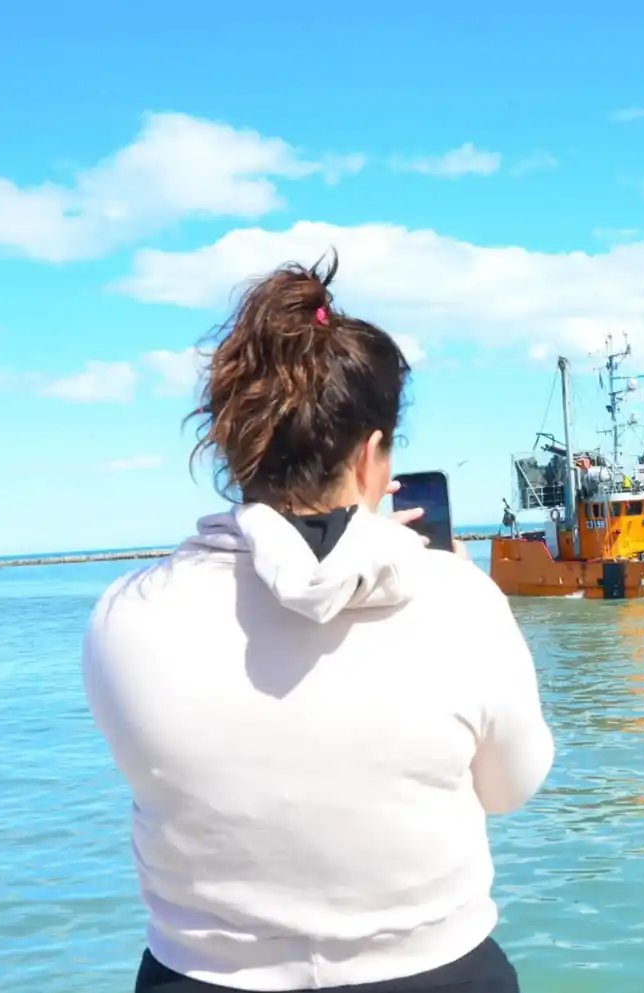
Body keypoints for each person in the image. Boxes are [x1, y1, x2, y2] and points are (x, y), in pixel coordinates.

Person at [82, 257, 555, 993]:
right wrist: (439, 572)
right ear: (371, 454)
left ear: (236, 445)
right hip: (434, 974)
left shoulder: (126, 613)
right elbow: (509, 787)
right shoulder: (457, 599)